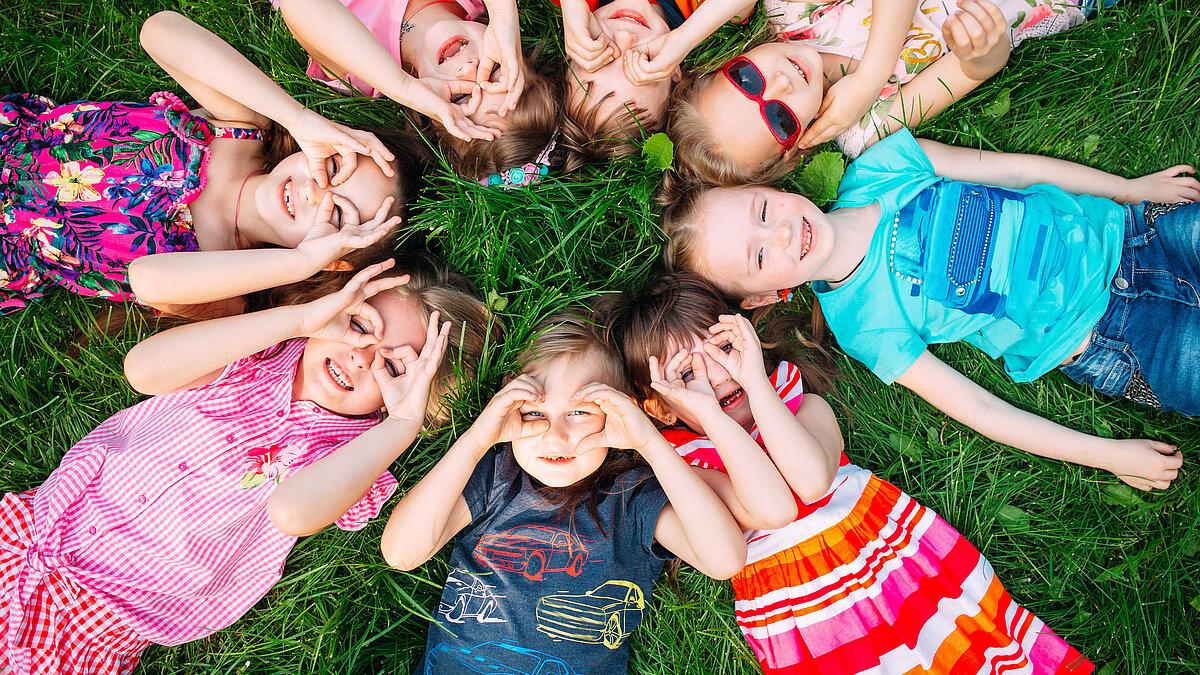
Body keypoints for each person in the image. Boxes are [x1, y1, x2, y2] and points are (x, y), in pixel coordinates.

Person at [0, 257, 498, 674]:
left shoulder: (353, 455)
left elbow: (293, 512)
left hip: (97, 624)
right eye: (360, 327)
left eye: (392, 366)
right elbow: (144, 370)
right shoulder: (255, 354)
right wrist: (302, 321)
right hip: (28, 536)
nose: (361, 358)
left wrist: (402, 424)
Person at [605, 271, 1093, 674]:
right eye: (688, 375)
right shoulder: (690, 467)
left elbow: (811, 481)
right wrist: (711, 417)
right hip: (804, 614)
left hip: (893, 564)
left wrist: (755, 381)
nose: (715, 378)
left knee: (969, 653)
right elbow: (769, 507)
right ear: (661, 407)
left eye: (722, 353)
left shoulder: (801, 406)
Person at [660, 128, 1198, 490]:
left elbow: (1011, 170)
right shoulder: (863, 325)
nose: (779, 233)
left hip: (1135, 231)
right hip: (1111, 337)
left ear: (768, 187)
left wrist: (1129, 190)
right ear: (762, 298)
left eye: (762, 210)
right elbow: (980, 410)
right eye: (758, 257)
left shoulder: (881, 168)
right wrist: (1107, 455)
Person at [381, 310, 746, 673]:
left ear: (618, 412)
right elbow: (401, 553)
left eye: (579, 412)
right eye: (534, 413)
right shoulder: (495, 477)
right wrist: (477, 439)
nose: (555, 437)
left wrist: (649, 442)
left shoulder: (633, 498)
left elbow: (724, 560)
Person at [0, 11, 417, 318]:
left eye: (338, 213)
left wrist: (305, 261)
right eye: (334, 168)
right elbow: (160, 31)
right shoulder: (240, 132)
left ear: (336, 257)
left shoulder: (225, 281)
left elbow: (147, 278)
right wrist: (298, 117)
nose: (316, 191)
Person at [664, 0, 1094, 187]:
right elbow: (973, 70)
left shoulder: (794, 12)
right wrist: (983, 49)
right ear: (793, 150)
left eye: (746, 80)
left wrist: (871, 76)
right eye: (779, 119)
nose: (780, 84)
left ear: (730, 60)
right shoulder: (866, 128)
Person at [277, 0, 563, 184]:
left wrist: (403, 86)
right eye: (495, 71)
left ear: (429, 115)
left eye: (461, 96)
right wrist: (502, 14)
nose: (469, 69)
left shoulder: (366, 71)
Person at [558, 0, 753, 165]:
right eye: (640, 61)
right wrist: (685, 38)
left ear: (572, 51)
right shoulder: (707, 10)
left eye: (603, 54)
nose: (624, 36)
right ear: (673, 71)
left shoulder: (577, 8)